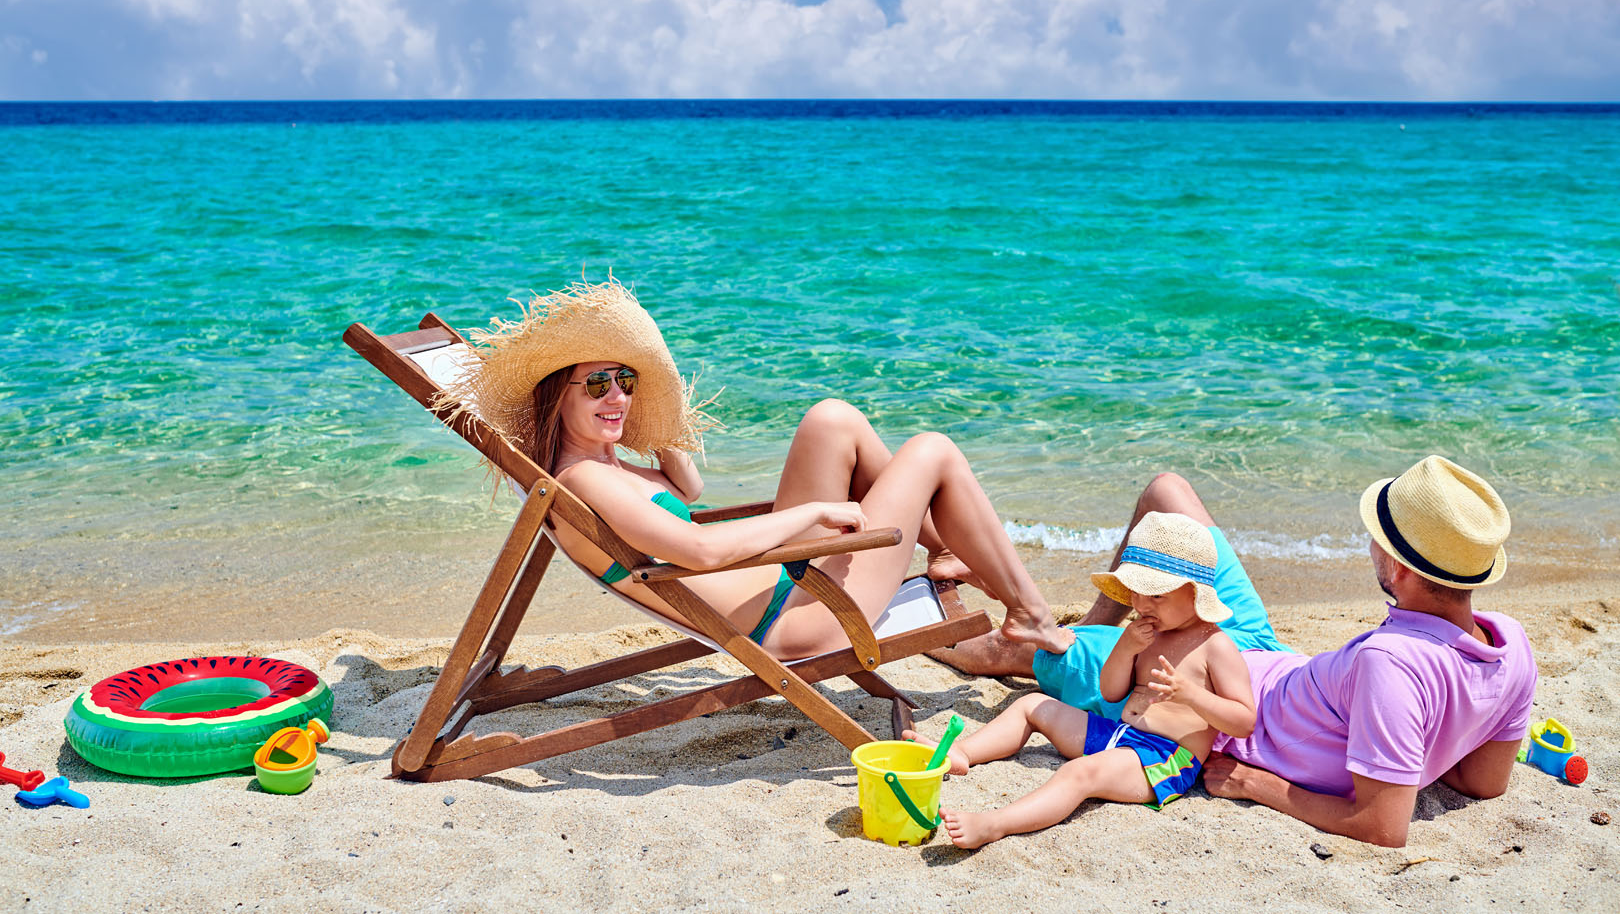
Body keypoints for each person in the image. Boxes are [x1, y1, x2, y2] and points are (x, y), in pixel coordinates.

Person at [436, 279, 1071, 662]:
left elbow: (689, 492)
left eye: (625, 381)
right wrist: (813, 514)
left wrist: (654, 429)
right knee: (932, 449)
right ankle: (1028, 611)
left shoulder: (610, 465)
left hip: (781, 584)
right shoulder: (584, 482)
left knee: (832, 419)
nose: (617, 396)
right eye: (596, 383)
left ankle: (944, 549)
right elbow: (699, 548)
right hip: (799, 620)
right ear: (556, 397)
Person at [934, 456, 1537, 848]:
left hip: (1182, 676)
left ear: (1400, 570)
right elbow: (1482, 784)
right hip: (1256, 649)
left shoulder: (1392, 665)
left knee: (1010, 653)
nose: (1370, 546)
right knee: (1166, 491)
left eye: (1378, 541)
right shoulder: (1509, 646)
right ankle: (1091, 616)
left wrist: (1257, 785)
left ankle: (965, 620)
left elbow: (1382, 826)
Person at [920, 512, 1255, 849]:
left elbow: (1244, 721)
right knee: (1032, 705)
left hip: (1165, 759)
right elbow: (1111, 693)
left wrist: (1192, 696)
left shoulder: (1216, 646)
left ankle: (994, 825)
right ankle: (963, 752)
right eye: (1136, 593)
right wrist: (1125, 650)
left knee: (1078, 774)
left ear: (1194, 594)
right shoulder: (1148, 632)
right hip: (1120, 735)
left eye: (1156, 596)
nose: (1141, 605)